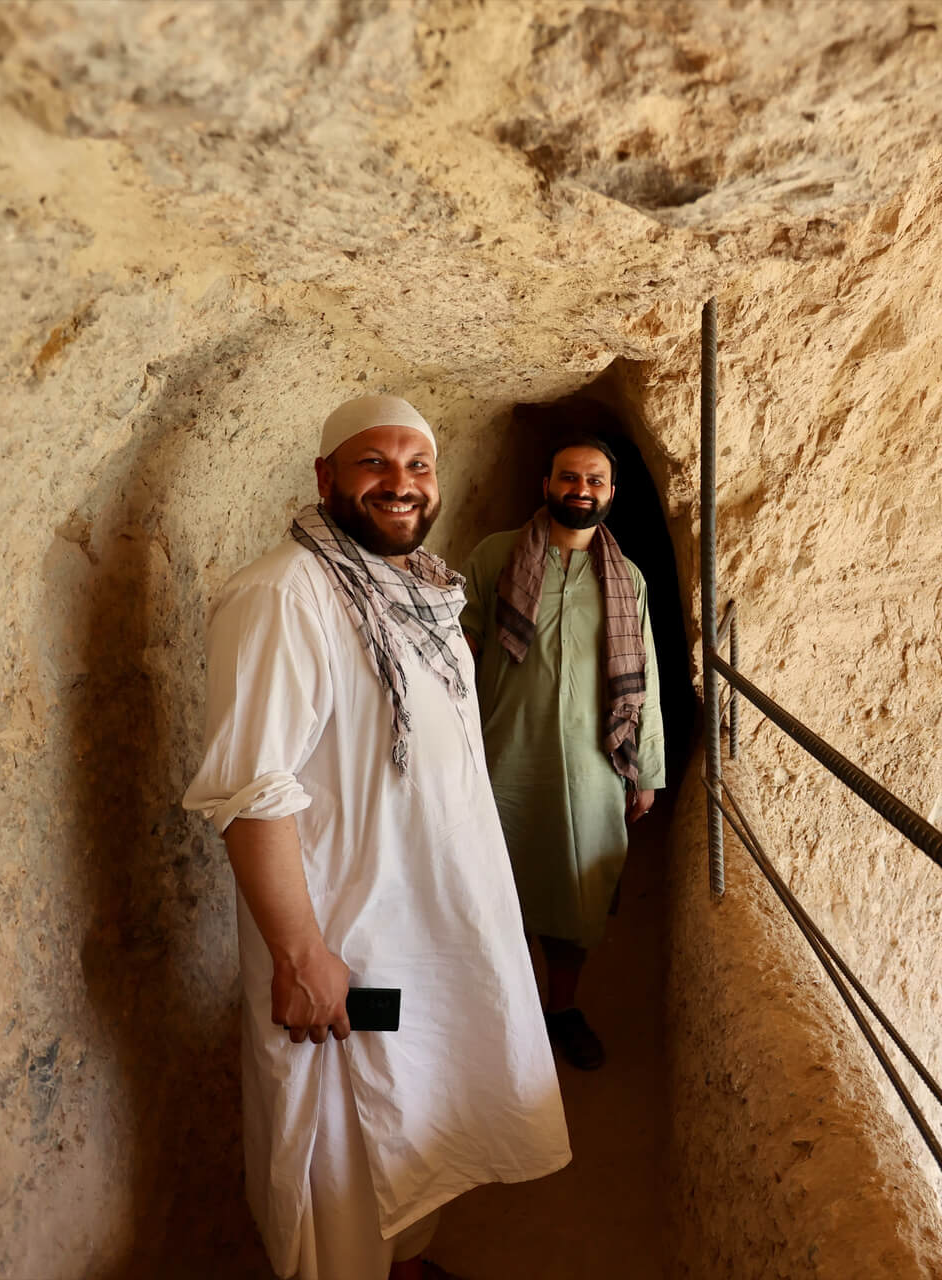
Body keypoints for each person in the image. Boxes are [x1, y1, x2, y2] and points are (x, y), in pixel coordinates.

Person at [182, 395, 570, 1280]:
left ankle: (400, 1262)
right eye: (373, 464)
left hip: (422, 921)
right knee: (337, 1143)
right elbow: (252, 792)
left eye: (418, 465)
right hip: (344, 938)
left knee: (419, 1096)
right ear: (325, 478)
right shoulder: (284, 595)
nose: (401, 484)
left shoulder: (417, 584)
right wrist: (300, 953)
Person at [460, 436, 666, 1071]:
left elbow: (646, 677)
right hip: (504, 760)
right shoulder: (496, 556)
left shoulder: (626, 577)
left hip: (592, 768)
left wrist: (647, 772)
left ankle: (560, 1012)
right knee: (497, 892)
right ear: (546, 484)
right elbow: (454, 654)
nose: (582, 489)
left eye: (595, 480)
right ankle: (506, 1018)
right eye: (569, 477)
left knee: (576, 899)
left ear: (610, 493)